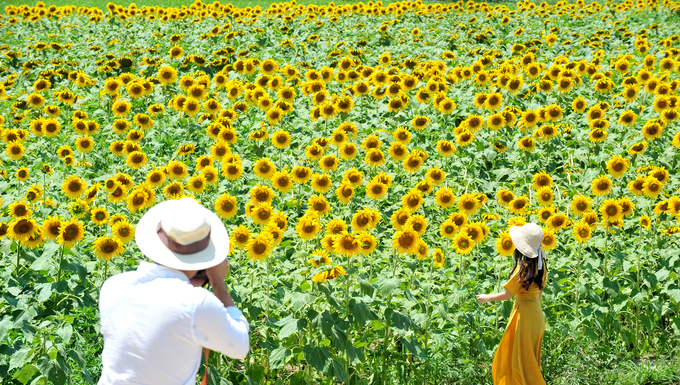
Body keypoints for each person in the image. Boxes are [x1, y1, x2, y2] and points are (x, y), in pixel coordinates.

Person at [98, 197, 250, 385]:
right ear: (205, 258)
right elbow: (240, 346)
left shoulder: (113, 286)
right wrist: (218, 283)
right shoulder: (196, 304)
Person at [476, 223, 547, 385]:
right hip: (536, 315)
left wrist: (488, 297)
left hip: (524, 316)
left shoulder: (523, 268)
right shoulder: (541, 265)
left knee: (517, 361)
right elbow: (540, 294)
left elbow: (508, 294)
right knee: (530, 361)